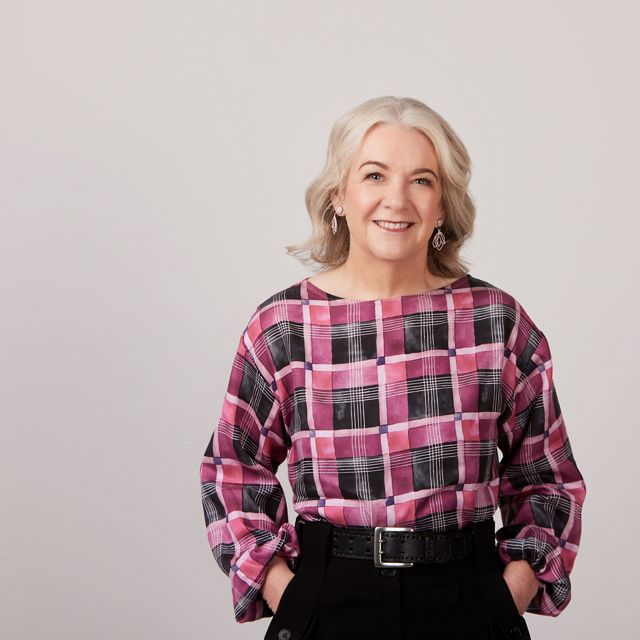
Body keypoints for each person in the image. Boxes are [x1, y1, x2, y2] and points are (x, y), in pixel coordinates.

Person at [199, 96, 586, 640]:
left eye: (422, 180)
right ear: (338, 194)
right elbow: (233, 469)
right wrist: (287, 592)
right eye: (374, 175)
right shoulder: (284, 326)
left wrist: (510, 593)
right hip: (329, 598)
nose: (397, 199)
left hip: (467, 599)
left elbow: (548, 476)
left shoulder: (495, 320)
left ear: (443, 205)